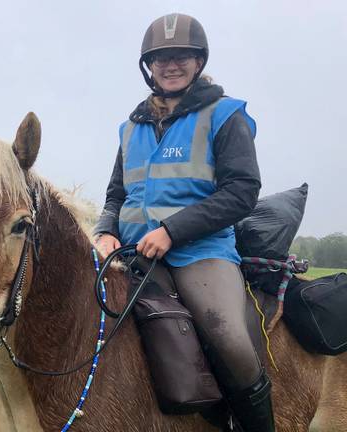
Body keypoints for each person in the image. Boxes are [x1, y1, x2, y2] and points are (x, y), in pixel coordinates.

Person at [93, 13, 272, 432]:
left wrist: (173, 231)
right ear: (149, 67)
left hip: (201, 252)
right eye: (162, 58)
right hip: (133, 252)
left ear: (199, 61)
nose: (171, 65)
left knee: (228, 338)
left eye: (181, 57)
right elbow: (116, 194)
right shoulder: (130, 128)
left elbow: (242, 191)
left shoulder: (224, 115)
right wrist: (104, 230)